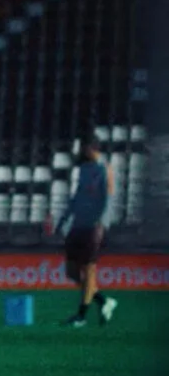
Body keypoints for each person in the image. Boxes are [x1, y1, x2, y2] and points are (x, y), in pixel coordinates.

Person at [55, 134, 117, 328]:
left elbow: (109, 199)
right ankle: (103, 301)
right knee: (72, 272)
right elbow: (77, 196)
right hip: (78, 225)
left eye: (84, 148)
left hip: (93, 226)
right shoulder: (84, 169)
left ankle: (81, 316)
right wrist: (64, 219)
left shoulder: (104, 169)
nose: (82, 151)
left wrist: (101, 224)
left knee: (89, 271)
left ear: (92, 148)